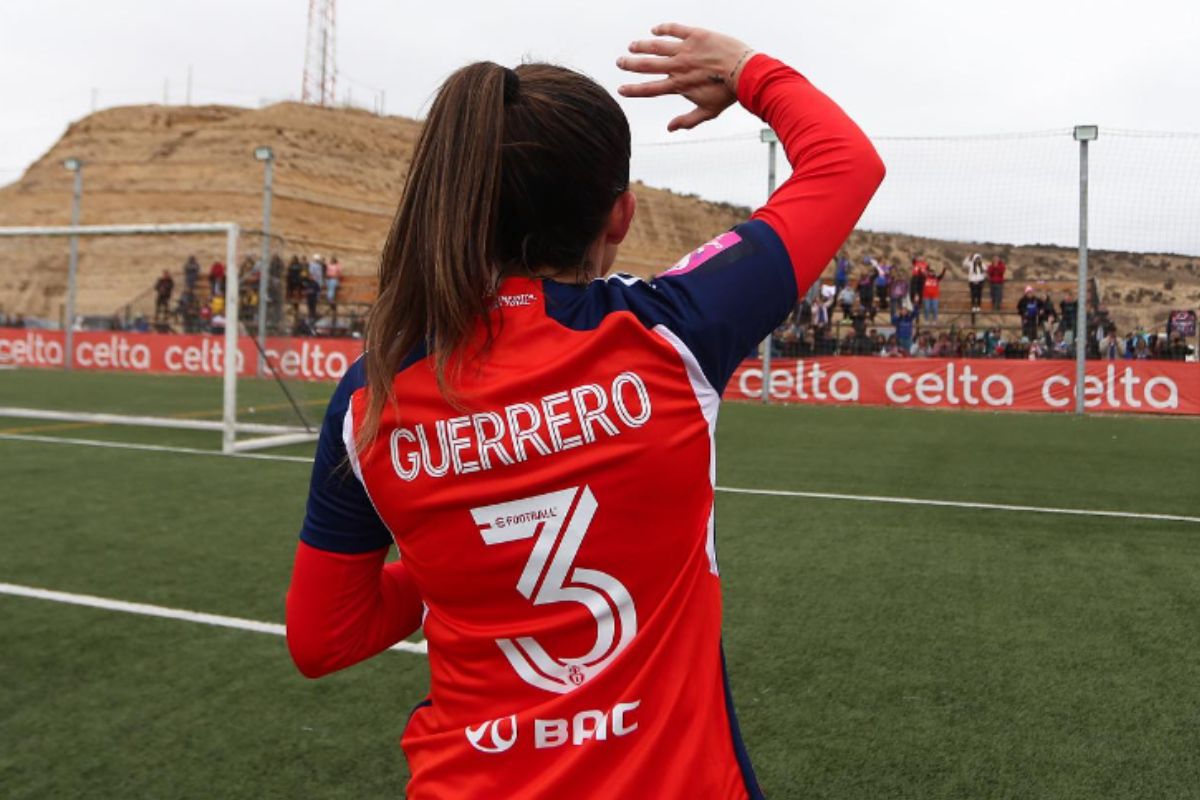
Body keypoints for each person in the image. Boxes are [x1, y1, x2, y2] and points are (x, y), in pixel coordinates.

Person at [284, 23, 884, 799]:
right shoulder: (673, 332)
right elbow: (845, 163)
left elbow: (323, 637)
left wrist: (452, 570)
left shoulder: (371, 394)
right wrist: (746, 71)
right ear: (620, 218)